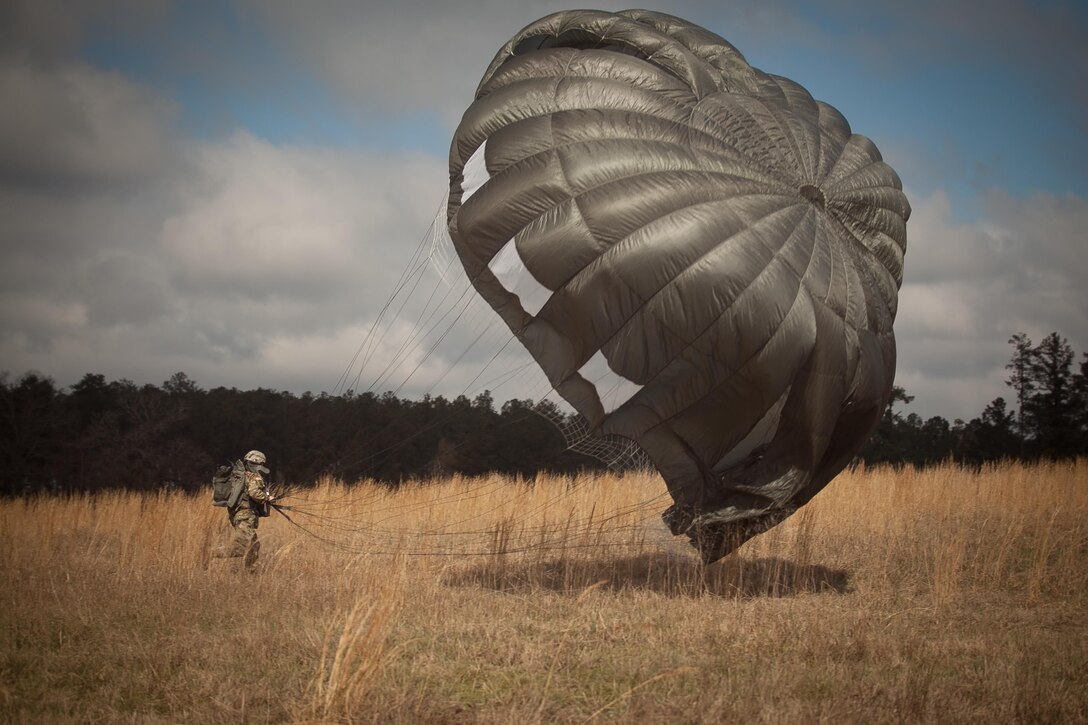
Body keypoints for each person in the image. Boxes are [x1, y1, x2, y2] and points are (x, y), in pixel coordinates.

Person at [213, 449, 273, 569]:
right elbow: (254, 493)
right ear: (258, 463)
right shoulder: (254, 477)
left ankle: (251, 570)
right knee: (243, 546)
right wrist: (267, 497)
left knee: (254, 545)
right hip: (245, 514)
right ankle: (212, 553)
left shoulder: (240, 475)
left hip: (239, 514)